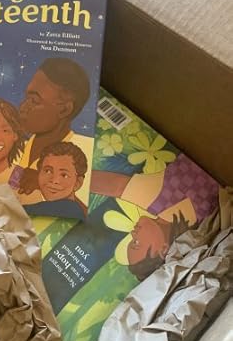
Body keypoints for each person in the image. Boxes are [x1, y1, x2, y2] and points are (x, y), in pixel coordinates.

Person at [90, 152, 219, 278]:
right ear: (163, 250)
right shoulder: (156, 199)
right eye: (136, 242)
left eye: (132, 240)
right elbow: (114, 186)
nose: (133, 233)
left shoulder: (195, 229)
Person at [18, 57, 93, 208]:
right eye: (27, 98)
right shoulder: (12, 148)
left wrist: (44, 183)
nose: (23, 107)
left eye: (34, 100)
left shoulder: (89, 152)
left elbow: (89, 214)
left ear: (64, 109)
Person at [23, 142, 88, 220]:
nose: (54, 180)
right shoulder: (78, 212)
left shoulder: (63, 210)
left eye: (64, 175)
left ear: (77, 183)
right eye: (48, 171)